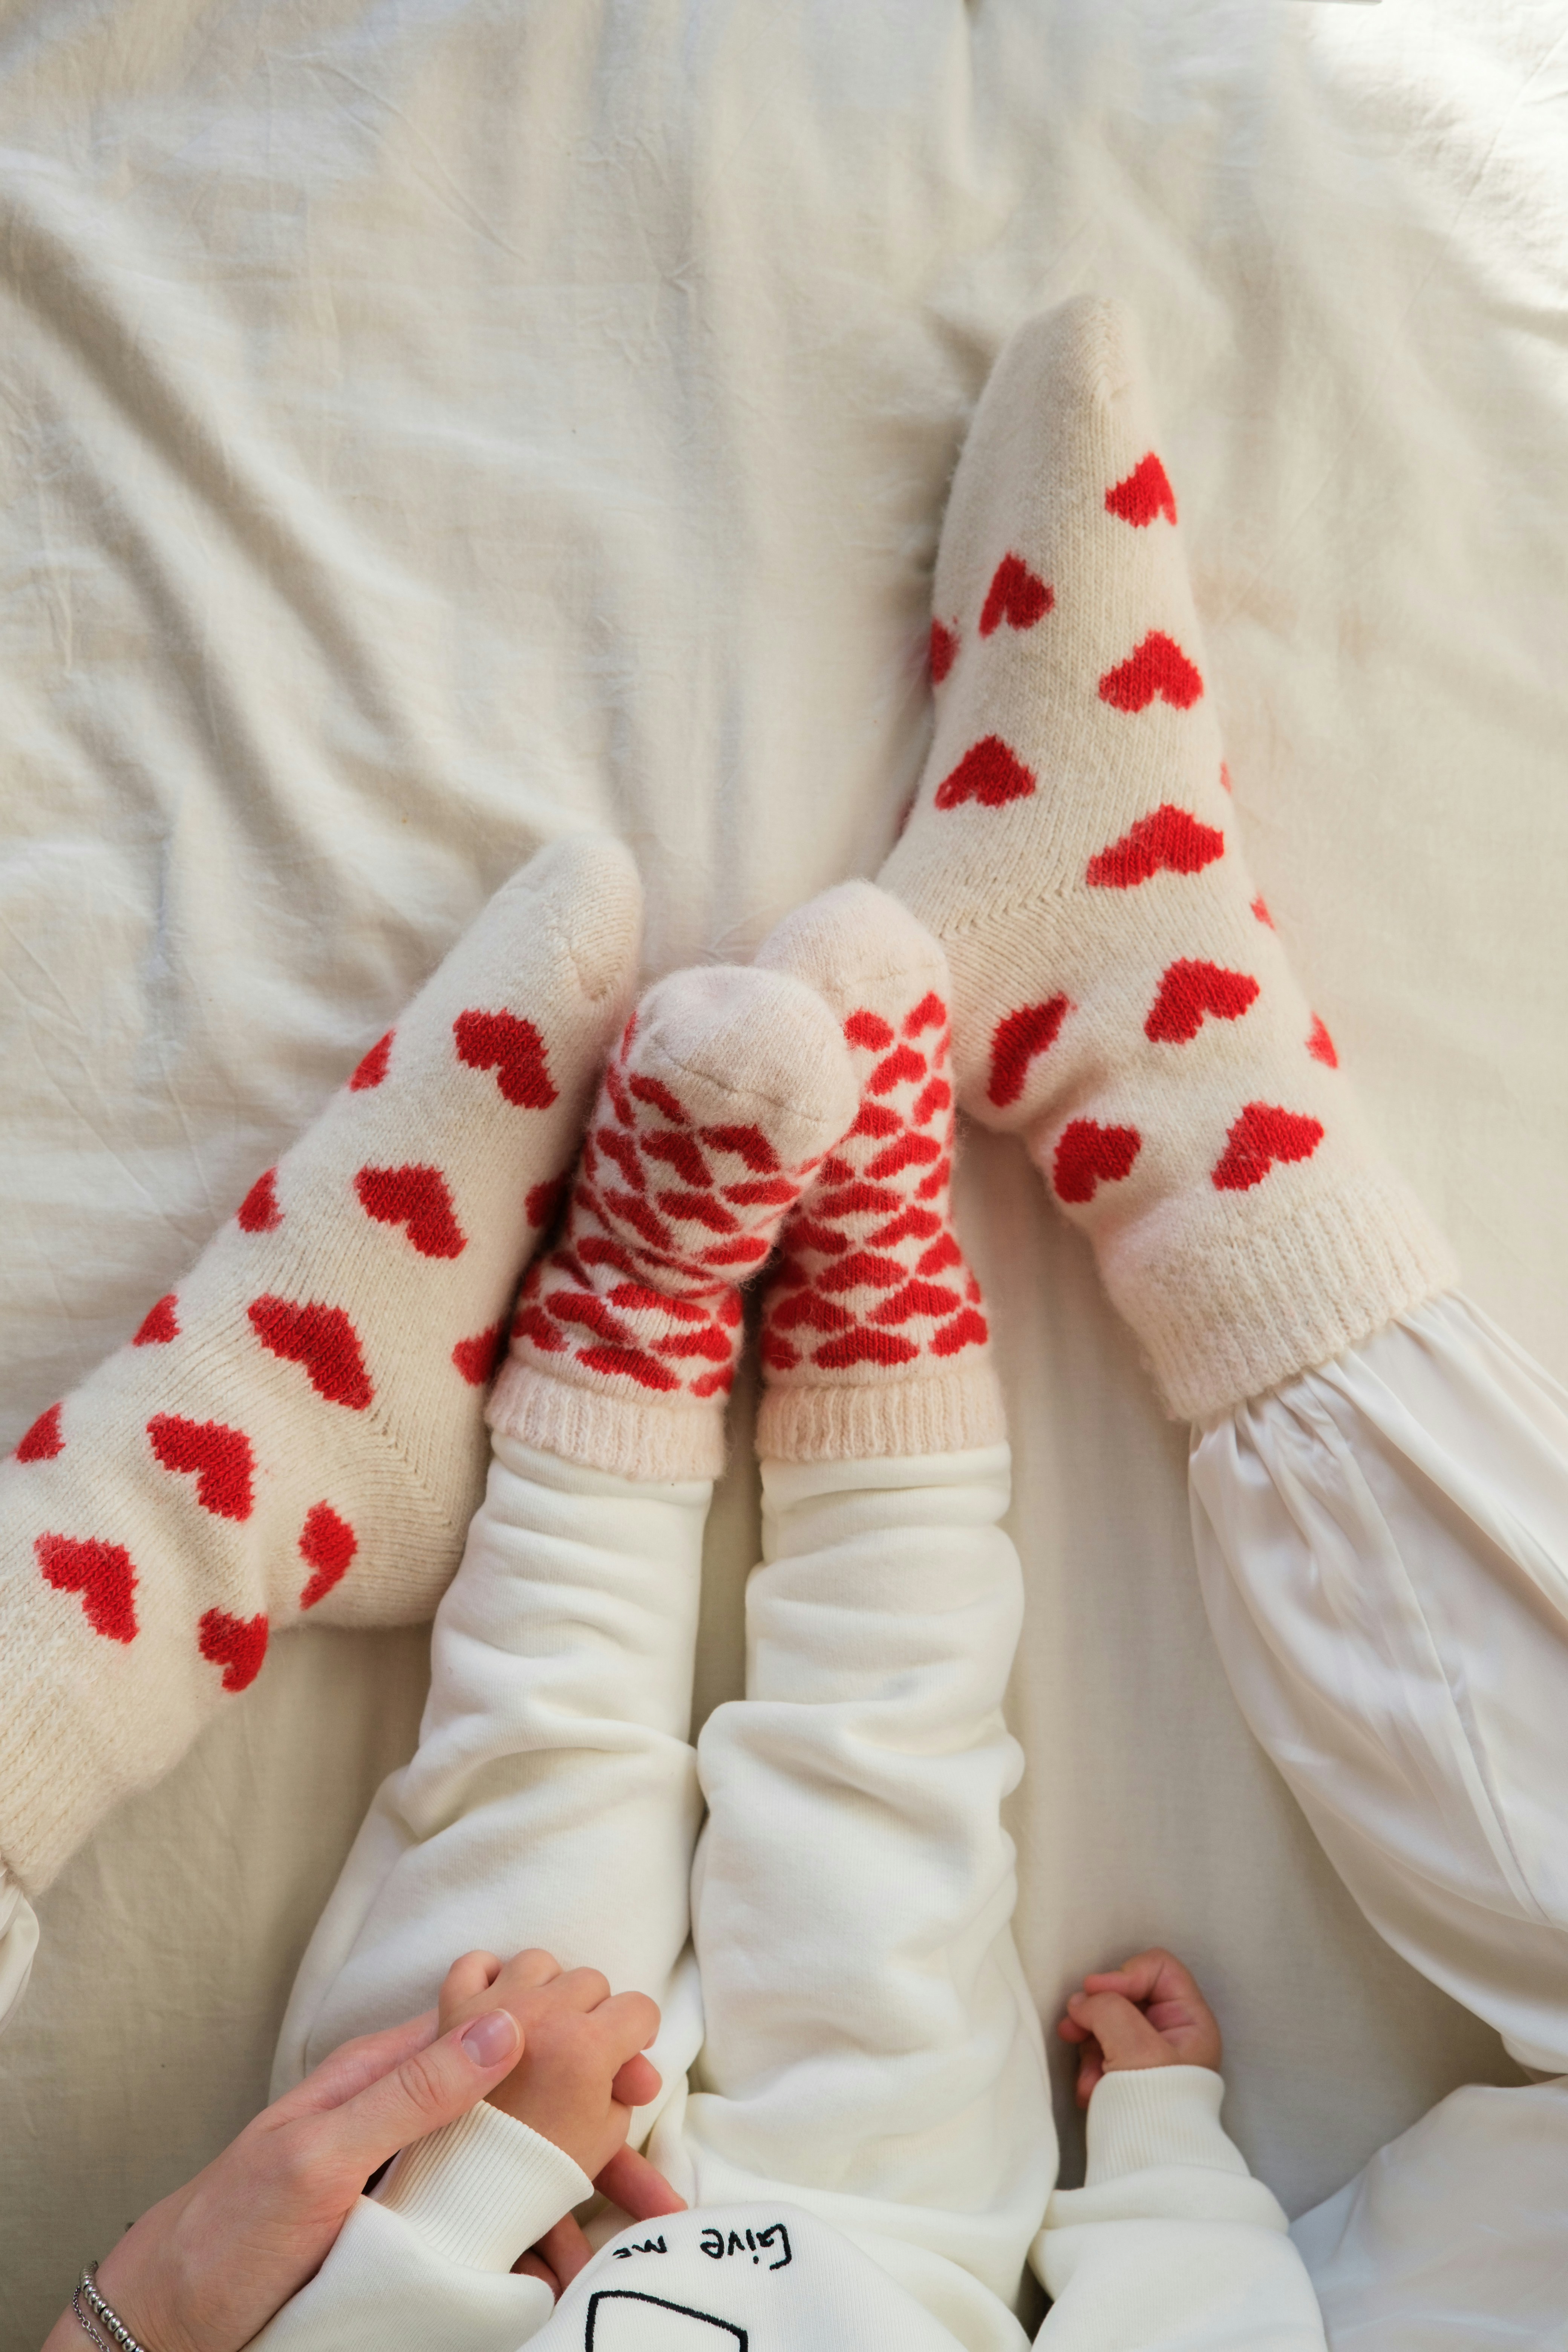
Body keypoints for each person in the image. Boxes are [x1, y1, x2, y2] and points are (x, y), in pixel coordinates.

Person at [48, 886, 1329, 2352]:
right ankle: (871, 1310)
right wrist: (1169, 2168)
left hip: (478, 2255)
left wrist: (490, 2179)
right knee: (893, 1803)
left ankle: (622, 1324)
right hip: (884, 2254)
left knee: (536, 1795)